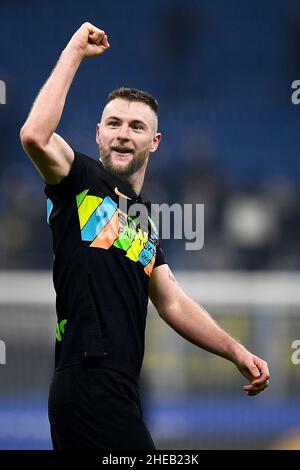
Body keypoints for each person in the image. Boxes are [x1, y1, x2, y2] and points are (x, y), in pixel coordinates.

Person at [20, 22, 270, 450]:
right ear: (98, 134)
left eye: (136, 126)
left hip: (122, 390)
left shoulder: (145, 218)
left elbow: (171, 299)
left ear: (154, 142)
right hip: (86, 381)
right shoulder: (77, 178)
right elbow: (34, 136)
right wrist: (75, 51)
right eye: (113, 123)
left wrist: (235, 351)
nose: (122, 133)